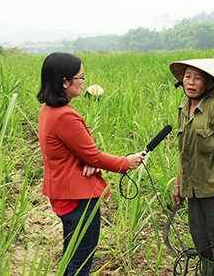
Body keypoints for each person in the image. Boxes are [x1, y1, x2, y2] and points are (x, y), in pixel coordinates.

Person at [37, 52, 144, 275]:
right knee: (80, 264)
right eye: (80, 77)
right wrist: (126, 162)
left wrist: (87, 161)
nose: (83, 82)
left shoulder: (48, 111)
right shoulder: (65, 116)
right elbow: (93, 155)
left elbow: (75, 153)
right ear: (64, 81)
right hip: (78, 198)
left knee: (71, 256)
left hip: (62, 192)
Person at [170, 58, 214, 276]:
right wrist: (178, 185)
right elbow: (184, 153)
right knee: (201, 241)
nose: (191, 82)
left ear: (207, 84)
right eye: (187, 77)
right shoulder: (183, 109)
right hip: (193, 188)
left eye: (197, 78)